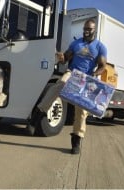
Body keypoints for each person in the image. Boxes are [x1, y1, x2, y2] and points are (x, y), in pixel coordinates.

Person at [36, 18, 107, 154]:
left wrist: (94, 75)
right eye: (85, 29)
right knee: (60, 83)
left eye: (89, 29)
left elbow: (102, 66)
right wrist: (61, 56)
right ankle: (40, 113)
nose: (86, 31)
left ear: (94, 30)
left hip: (86, 77)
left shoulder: (100, 47)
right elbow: (66, 58)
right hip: (72, 73)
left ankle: (76, 140)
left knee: (81, 111)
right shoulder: (76, 43)